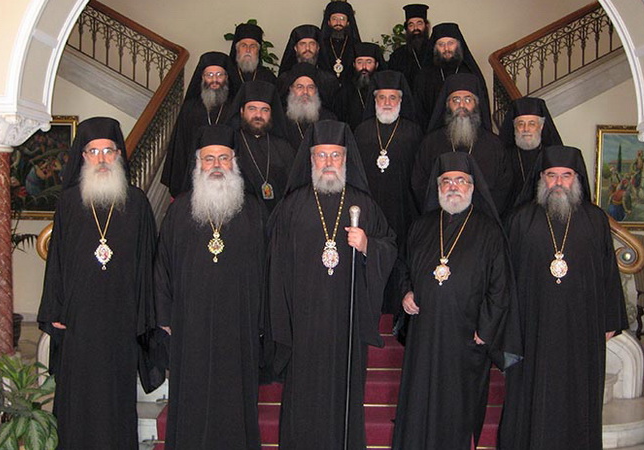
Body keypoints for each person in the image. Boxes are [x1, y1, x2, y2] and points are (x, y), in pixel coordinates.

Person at [268, 120, 397, 449]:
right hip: (303, 324)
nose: (328, 162)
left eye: (335, 155)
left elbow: (389, 245)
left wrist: (368, 245)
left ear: (346, 159)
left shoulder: (362, 204)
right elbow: (276, 267)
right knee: (302, 396)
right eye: (321, 155)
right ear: (311, 159)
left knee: (344, 395)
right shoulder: (291, 207)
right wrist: (284, 321)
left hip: (346, 322)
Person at [37, 117, 159, 450]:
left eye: (108, 151)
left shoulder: (136, 203)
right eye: (94, 151)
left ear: (119, 155)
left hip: (121, 320)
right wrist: (55, 308)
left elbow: (148, 264)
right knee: (78, 397)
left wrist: (145, 317)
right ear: (83, 156)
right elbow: (56, 261)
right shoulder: (68, 203)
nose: (102, 159)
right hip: (79, 320)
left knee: (116, 399)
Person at [498, 145, 628, 450]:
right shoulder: (520, 220)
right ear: (541, 178)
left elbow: (608, 272)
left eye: (566, 175)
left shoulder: (595, 220)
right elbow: (505, 278)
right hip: (533, 327)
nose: (558, 182)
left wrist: (610, 319)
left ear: (577, 179)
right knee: (530, 396)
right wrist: (507, 326)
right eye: (552, 175)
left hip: (581, 328)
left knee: (578, 395)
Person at [392, 152, 520, 449]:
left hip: (466, 337)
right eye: (446, 181)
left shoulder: (489, 230)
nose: (453, 187)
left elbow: (500, 285)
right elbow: (403, 267)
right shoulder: (421, 226)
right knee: (419, 398)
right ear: (437, 188)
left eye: (460, 181)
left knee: (458, 406)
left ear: (472, 187)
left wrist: (486, 329)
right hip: (425, 334)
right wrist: (406, 292)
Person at [155, 125, 266, 449]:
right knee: (192, 394)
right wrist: (165, 315)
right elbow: (162, 265)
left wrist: (262, 317)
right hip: (190, 324)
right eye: (209, 159)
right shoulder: (179, 210)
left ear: (234, 162)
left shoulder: (254, 211)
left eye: (223, 158)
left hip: (239, 324)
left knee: (236, 397)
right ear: (198, 164)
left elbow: (267, 267)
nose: (216, 165)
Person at [354, 70, 422, 314]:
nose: (387, 102)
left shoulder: (414, 132)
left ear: (401, 101)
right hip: (370, 211)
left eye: (393, 97)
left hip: (403, 209)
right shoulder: (361, 131)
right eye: (381, 97)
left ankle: (398, 313)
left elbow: (419, 174)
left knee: (399, 259)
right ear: (374, 100)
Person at [413, 73, 512, 214]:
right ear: (447, 105)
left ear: (476, 104)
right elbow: (420, 182)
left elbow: (503, 185)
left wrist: (481, 215)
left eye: (468, 100)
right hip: (441, 218)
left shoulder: (494, 144)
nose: (462, 105)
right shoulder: (431, 143)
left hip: (483, 220)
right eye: (456, 100)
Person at [161, 51, 233, 198]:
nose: (214, 80)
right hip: (194, 176)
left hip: (227, 175)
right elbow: (181, 145)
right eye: (209, 75)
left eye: (219, 75)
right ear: (202, 77)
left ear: (227, 77)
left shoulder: (235, 108)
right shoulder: (190, 108)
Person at [226, 80, 295, 213]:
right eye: (252, 109)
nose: (258, 115)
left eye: (265, 110)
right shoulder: (230, 145)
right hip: (243, 216)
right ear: (241, 111)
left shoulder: (283, 147)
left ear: (271, 113)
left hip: (278, 216)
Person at [413, 23, 490, 130]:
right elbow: (419, 110)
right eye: (441, 44)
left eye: (450, 43)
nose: (446, 49)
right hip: (433, 134)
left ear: (458, 45)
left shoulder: (470, 73)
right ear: (434, 47)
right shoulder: (425, 75)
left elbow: (482, 108)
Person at [498, 96, 562, 212]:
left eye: (532, 124)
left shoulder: (552, 156)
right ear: (514, 127)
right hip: (511, 216)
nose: (526, 129)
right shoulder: (503, 156)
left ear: (541, 126)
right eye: (521, 124)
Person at [277, 24, 339, 106]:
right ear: (295, 48)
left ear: (318, 48)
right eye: (302, 44)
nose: (307, 48)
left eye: (312, 44)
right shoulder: (284, 79)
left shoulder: (329, 80)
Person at [280, 62, 337, 149]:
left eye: (310, 87)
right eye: (300, 87)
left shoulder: (328, 118)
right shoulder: (280, 119)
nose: (305, 92)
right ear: (291, 89)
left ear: (316, 90)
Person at [333, 42, 385, 130]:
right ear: (354, 64)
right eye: (359, 62)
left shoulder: (384, 89)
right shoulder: (346, 90)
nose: (364, 67)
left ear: (376, 65)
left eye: (369, 62)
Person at [388, 4, 431, 88]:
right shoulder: (397, 55)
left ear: (426, 26)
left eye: (419, 24)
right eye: (411, 25)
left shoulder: (435, 51)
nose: (415, 28)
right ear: (407, 28)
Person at [318, 1, 361, 84]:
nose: (338, 23)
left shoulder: (355, 44)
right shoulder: (321, 44)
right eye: (334, 19)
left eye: (342, 19)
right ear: (328, 22)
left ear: (348, 22)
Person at [228, 23, 277, 95]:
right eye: (244, 46)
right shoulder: (227, 75)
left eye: (253, 46)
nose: (248, 50)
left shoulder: (268, 77)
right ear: (237, 49)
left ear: (258, 50)